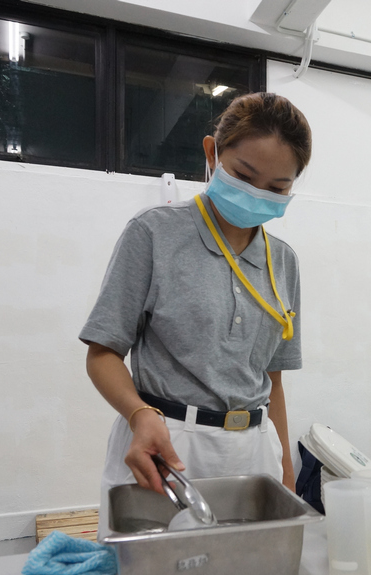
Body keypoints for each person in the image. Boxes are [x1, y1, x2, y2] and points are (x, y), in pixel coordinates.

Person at [80, 92, 310, 497]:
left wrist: (286, 474)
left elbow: (273, 382)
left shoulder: (283, 263)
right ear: (212, 153)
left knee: (254, 562)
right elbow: (102, 353)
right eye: (243, 176)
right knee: (159, 560)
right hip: (167, 442)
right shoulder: (154, 234)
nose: (256, 194)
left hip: (255, 451)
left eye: (276, 187)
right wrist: (139, 415)